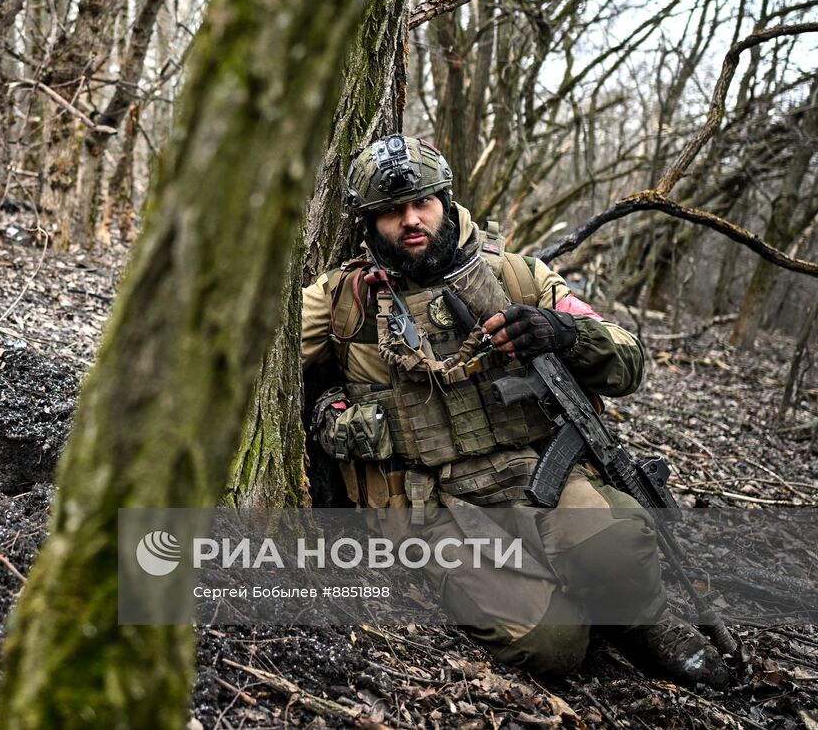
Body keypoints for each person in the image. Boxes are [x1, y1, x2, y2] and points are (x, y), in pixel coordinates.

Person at [300, 134, 729, 687]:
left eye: (423, 202)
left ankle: (637, 622)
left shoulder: (517, 277)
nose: (411, 220)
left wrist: (564, 333)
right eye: (390, 210)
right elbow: (254, 353)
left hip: (537, 476)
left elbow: (628, 359)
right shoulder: (344, 299)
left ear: (447, 200)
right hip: (433, 505)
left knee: (619, 546)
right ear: (368, 221)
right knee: (554, 646)